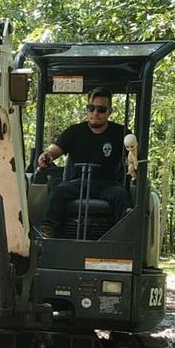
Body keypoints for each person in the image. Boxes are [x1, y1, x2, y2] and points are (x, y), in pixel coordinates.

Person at [35, 88, 131, 237]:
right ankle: (48, 231)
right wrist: (47, 156)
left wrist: (133, 164)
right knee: (59, 191)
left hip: (108, 185)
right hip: (78, 184)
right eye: (91, 108)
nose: (95, 113)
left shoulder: (121, 133)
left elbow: (133, 155)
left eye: (101, 109)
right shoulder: (74, 132)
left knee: (122, 196)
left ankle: (121, 236)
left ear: (110, 111)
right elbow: (54, 151)